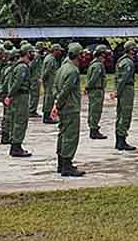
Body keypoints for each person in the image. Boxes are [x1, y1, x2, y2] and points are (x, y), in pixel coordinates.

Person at [51, 42, 85, 177]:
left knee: (63, 134)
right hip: (70, 107)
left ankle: (61, 163)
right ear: (78, 55)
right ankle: (67, 165)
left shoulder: (62, 68)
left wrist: (56, 103)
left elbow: (55, 87)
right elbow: (66, 90)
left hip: (64, 106)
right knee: (70, 136)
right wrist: (58, 104)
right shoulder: (73, 71)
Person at [5, 47, 34, 157]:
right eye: (31, 52)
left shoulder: (19, 65)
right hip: (21, 96)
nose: (33, 54)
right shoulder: (22, 67)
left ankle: (16, 145)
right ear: (27, 53)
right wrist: (10, 95)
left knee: (17, 120)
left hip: (19, 96)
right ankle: (16, 146)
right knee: (20, 120)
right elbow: (17, 83)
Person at [112, 41, 138, 151]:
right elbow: (123, 79)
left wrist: (117, 90)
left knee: (120, 114)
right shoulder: (128, 62)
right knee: (125, 114)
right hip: (126, 89)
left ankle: (119, 140)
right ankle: (121, 140)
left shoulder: (121, 60)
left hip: (123, 89)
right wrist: (118, 91)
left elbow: (117, 78)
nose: (136, 51)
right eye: (134, 49)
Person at [86, 45, 109, 140]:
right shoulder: (98, 65)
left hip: (95, 90)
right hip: (96, 90)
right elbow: (94, 78)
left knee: (93, 110)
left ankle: (93, 128)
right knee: (95, 110)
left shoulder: (94, 64)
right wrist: (88, 87)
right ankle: (94, 130)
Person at [0, 48, 16, 146]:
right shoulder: (10, 70)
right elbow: (7, 84)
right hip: (7, 95)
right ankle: (6, 136)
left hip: (5, 94)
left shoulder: (7, 68)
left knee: (8, 115)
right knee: (8, 116)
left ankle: (6, 135)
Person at [40, 44, 62, 124]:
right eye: (58, 50)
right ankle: (47, 117)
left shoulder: (50, 58)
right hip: (49, 82)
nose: (60, 52)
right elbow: (47, 71)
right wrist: (44, 80)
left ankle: (47, 115)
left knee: (48, 98)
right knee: (49, 99)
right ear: (55, 50)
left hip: (50, 82)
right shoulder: (51, 59)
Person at [29, 40, 47, 118]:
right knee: (34, 95)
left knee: (35, 95)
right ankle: (32, 110)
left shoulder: (38, 56)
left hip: (36, 78)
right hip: (34, 79)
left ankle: (33, 110)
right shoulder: (36, 57)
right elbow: (31, 67)